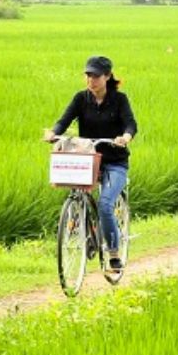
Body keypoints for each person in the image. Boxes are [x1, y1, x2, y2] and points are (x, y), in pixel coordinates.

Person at [44, 55, 137, 272]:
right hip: (88, 160)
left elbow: (131, 124)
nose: (91, 80)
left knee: (105, 204)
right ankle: (84, 227)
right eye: (88, 75)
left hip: (114, 162)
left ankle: (113, 253)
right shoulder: (80, 99)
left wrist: (125, 137)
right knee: (78, 191)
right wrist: (53, 133)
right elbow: (63, 120)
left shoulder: (119, 100)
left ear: (107, 76)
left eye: (95, 76)